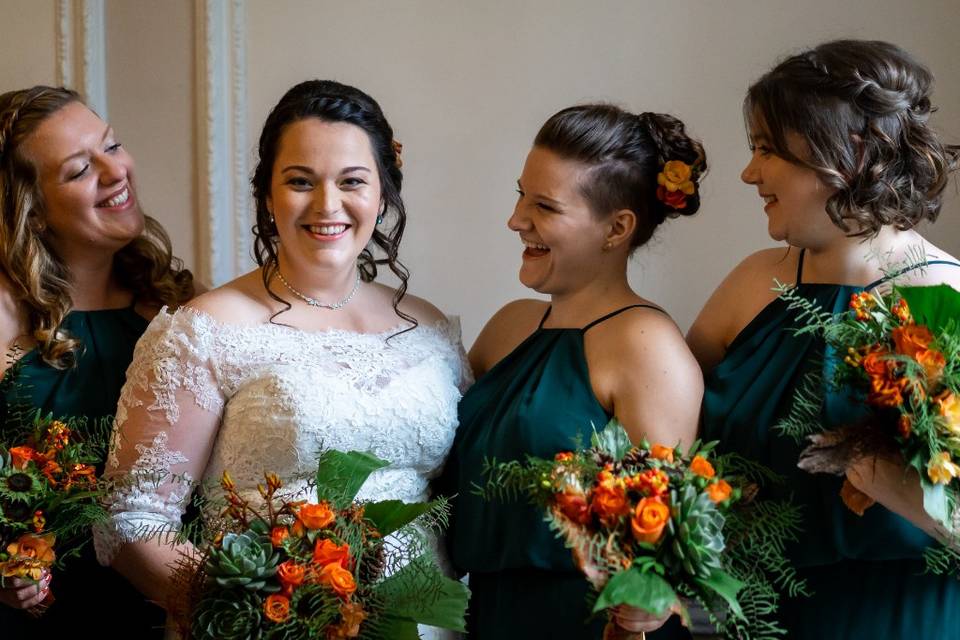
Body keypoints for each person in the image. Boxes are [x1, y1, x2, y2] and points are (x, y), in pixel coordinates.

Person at [94, 80, 469, 639]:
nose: (327, 205)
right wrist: (258, 616)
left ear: (383, 193)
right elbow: (130, 521)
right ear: (267, 196)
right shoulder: (205, 330)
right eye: (300, 182)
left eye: (352, 182)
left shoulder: (430, 328)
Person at [687, 40, 960, 638]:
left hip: (897, 617)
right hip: (754, 617)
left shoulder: (942, 298)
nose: (748, 172)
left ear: (852, 152)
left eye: (766, 149)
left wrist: (889, 483)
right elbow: (669, 436)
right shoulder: (753, 282)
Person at [442, 104, 705, 638]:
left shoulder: (647, 346)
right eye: (521, 194)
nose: (516, 219)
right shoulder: (510, 326)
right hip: (483, 616)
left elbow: (658, 547)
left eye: (544, 206)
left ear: (617, 228)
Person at [0, 85, 194, 636]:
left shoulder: (173, 298)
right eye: (81, 169)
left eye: (113, 145)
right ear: (31, 213)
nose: (117, 172)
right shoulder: (5, 314)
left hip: (167, 607)